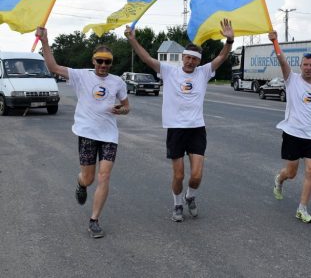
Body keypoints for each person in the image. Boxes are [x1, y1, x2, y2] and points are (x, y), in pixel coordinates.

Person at [124, 18, 234, 222]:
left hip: (196, 129)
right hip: (175, 129)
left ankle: (190, 197)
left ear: (199, 61)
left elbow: (221, 57)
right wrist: (133, 40)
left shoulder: (203, 73)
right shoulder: (169, 71)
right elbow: (147, 58)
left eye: (195, 59)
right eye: (188, 58)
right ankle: (177, 203)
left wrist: (228, 41)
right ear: (183, 58)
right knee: (179, 176)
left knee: (197, 175)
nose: (191, 62)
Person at [36, 27, 130, 238]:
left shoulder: (117, 82)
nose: (104, 65)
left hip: (109, 136)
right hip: (87, 133)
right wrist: (45, 41)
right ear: (93, 61)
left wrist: (121, 110)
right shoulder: (81, 76)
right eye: (100, 61)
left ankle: (94, 220)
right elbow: (52, 66)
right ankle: (81, 184)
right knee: (88, 178)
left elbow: (127, 106)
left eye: (107, 62)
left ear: (111, 63)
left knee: (104, 176)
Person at [268, 30, 311, 223]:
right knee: (291, 173)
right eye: (305, 65)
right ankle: (279, 180)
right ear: (300, 66)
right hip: (292, 132)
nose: (308, 68)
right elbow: (282, 61)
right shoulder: (292, 80)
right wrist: (275, 42)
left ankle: (302, 208)